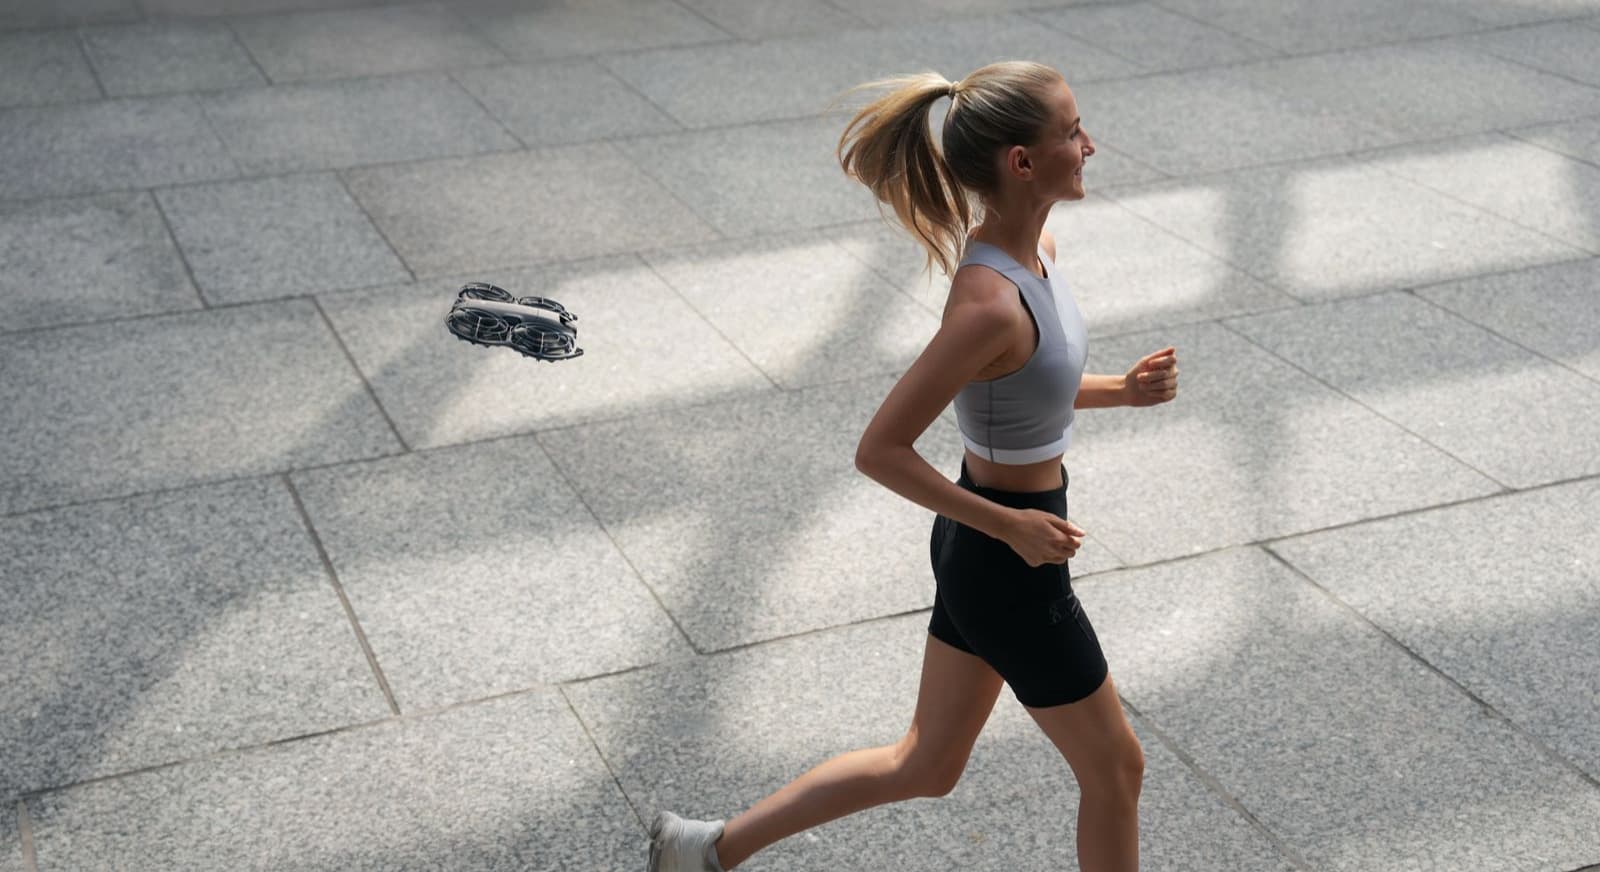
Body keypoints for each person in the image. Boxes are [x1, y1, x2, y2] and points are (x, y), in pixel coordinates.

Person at [647, 60, 1179, 872]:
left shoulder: (1038, 248)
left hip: (991, 548)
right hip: (1005, 558)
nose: (1090, 144)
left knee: (925, 764)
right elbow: (879, 450)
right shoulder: (985, 304)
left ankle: (704, 851)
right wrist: (1012, 527)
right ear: (1021, 162)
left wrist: (1122, 392)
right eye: (1071, 131)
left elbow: (1030, 389)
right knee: (1117, 768)